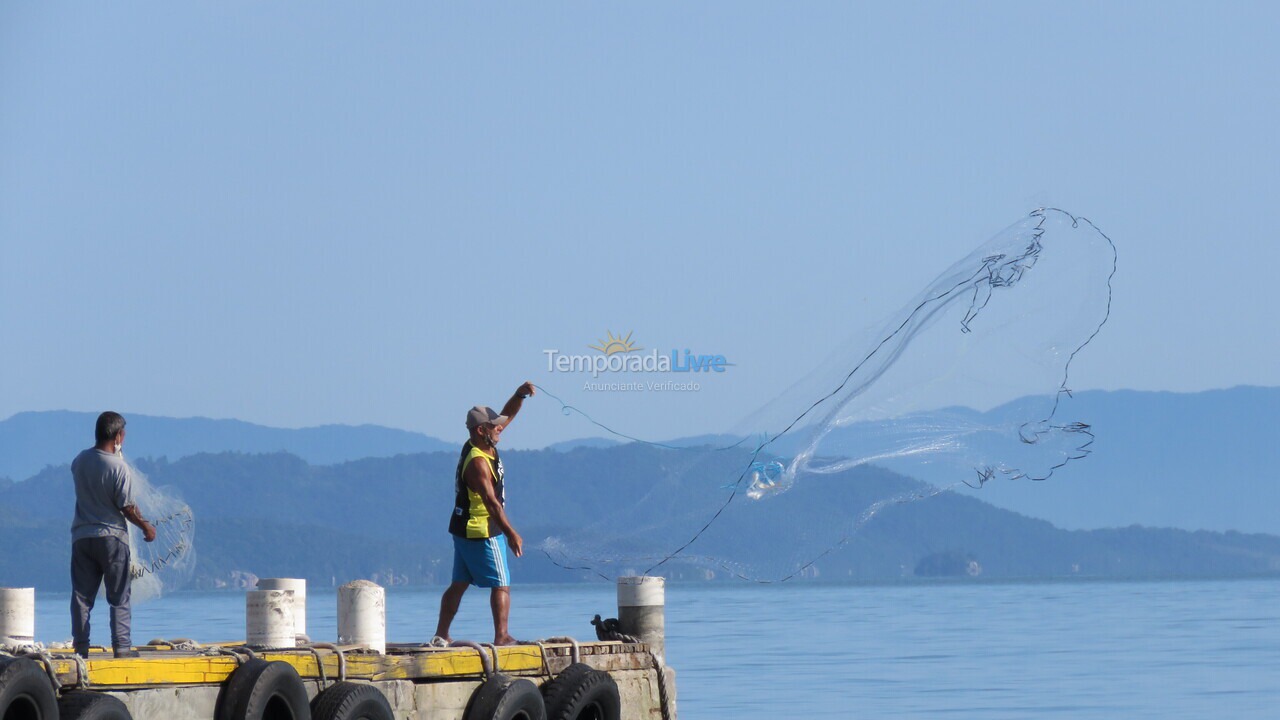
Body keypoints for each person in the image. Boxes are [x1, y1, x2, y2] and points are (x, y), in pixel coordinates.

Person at [433, 382, 535, 646]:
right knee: (501, 583)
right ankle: (501, 636)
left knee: (459, 584)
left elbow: (507, 415)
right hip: (482, 529)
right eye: (494, 427)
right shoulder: (477, 462)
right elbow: (491, 502)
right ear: (481, 430)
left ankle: (441, 634)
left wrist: (519, 395)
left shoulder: (482, 440)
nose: (499, 429)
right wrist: (512, 533)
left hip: (463, 528)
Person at [70, 411, 155, 659]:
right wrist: (146, 526)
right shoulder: (119, 467)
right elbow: (127, 506)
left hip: (82, 536)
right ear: (118, 435)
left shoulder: (79, 461)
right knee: (118, 596)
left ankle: (80, 649)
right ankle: (122, 649)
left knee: (81, 597)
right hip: (111, 538)